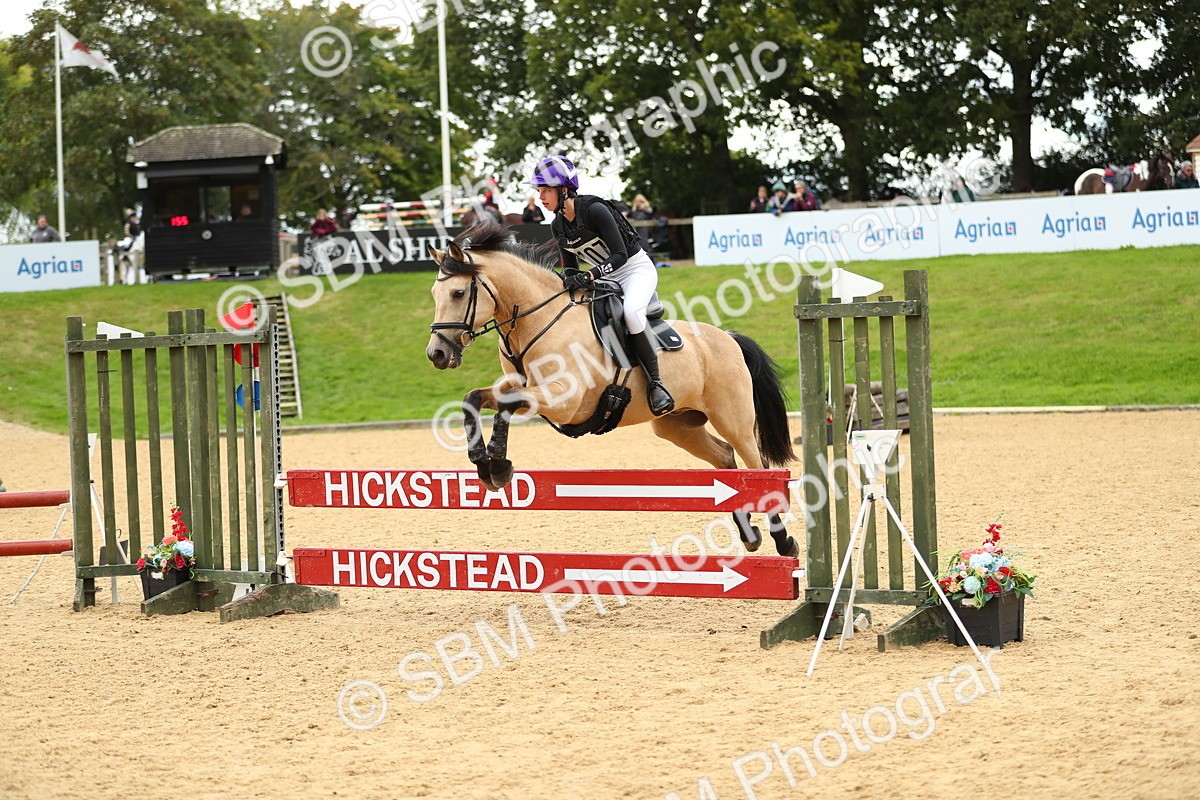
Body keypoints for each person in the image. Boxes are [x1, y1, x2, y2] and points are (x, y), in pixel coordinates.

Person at [526, 155, 674, 416]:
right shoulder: (557, 225)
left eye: (545, 190)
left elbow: (620, 255)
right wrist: (568, 279)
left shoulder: (594, 210)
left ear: (563, 190)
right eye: (539, 191)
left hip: (635, 270)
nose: (541, 197)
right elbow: (570, 265)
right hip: (606, 278)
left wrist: (590, 275)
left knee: (631, 313)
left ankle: (656, 384)